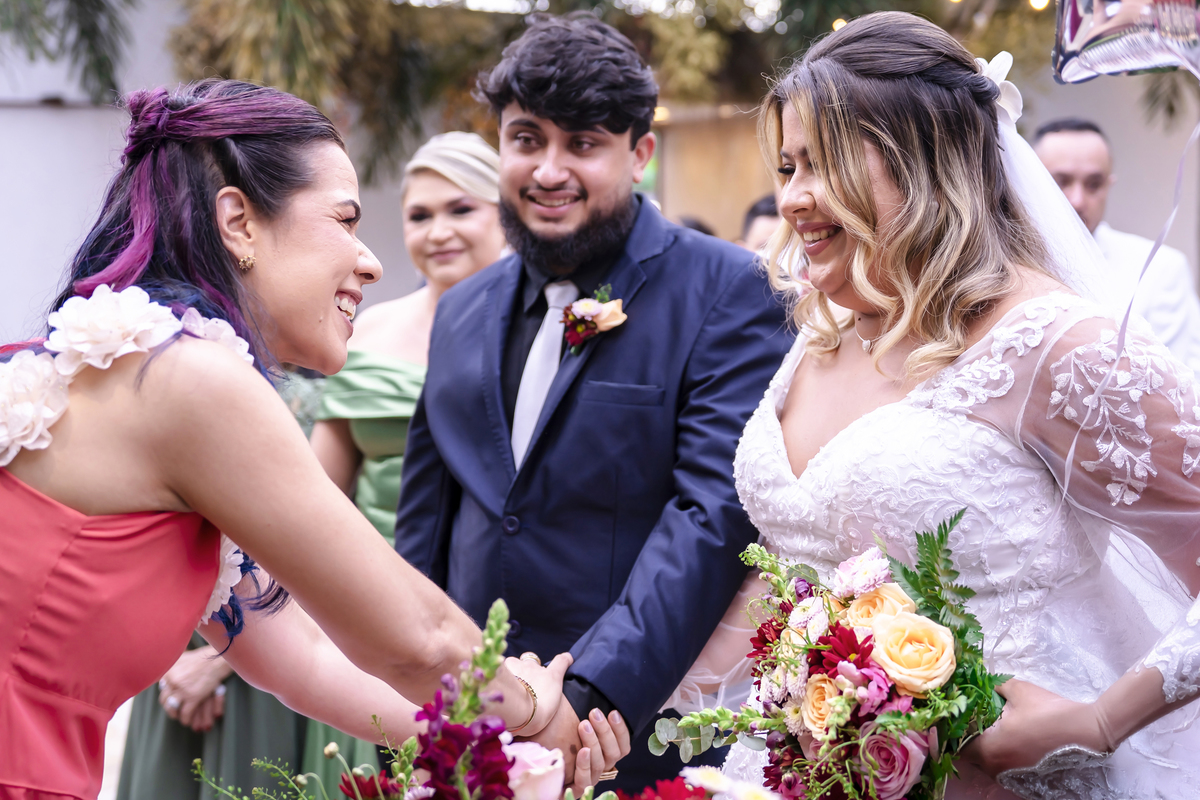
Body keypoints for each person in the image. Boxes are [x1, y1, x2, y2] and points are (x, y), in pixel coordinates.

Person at [0, 79, 628, 800]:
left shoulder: (154, 366)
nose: (372, 261)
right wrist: (539, 708)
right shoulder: (190, 378)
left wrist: (512, 747)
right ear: (237, 222)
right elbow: (415, 639)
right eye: (346, 220)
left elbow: (304, 660)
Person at [676, 13, 1199, 798]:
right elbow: (792, 558)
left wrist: (1100, 720)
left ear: (926, 159)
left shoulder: (1053, 341)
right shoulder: (823, 330)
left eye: (822, 164)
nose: (792, 199)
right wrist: (638, 699)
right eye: (787, 166)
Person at [393, 13, 793, 793]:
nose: (548, 169)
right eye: (527, 138)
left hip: (630, 730)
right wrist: (407, 703)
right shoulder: (463, 306)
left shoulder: (728, 291)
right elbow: (427, 527)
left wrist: (587, 698)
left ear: (639, 154)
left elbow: (710, 512)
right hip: (469, 732)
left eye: (582, 144)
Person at [302, 131, 508, 783]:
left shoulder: (547, 337)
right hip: (370, 613)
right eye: (419, 216)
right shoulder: (365, 331)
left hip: (493, 611)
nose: (437, 231)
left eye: (461, 209)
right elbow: (315, 499)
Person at [1034, 117, 1200, 372]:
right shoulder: (995, 265)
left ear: (1109, 185)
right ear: (1030, 181)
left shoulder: (1161, 268)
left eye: (1094, 184)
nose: (1077, 200)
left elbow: (1177, 382)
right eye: (1061, 182)